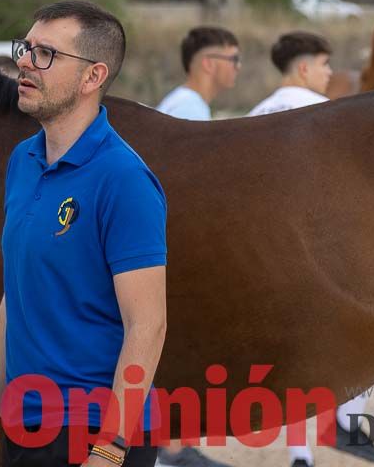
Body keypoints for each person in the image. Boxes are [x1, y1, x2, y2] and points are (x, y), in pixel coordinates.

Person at [0, 0, 167, 467]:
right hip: (26, 424)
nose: (25, 62)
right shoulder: (22, 162)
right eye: (26, 48)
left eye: (46, 53)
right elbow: (16, 298)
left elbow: (147, 326)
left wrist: (111, 449)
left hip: (93, 431)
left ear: (93, 77)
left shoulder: (124, 179)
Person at [247, 32, 374, 467]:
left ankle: (300, 453)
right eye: (325, 65)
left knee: (292, 356)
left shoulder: (255, 113)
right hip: (316, 248)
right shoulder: (319, 113)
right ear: (305, 67)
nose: (330, 73)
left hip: (261, 250)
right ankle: (343, 426)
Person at [154, 27, 238, 467]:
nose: (238, 69)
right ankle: (171, 447)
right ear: (208, 62)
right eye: (233, 59)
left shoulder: (182, 104)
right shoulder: (187, 108)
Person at [156, 27, 240, 121]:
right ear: (208, 64)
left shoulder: (186, 103)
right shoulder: (188, 109)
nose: (238, 66)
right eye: (234, 59)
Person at [247, 32, 333, 117]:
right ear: (304, 69)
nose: (329, 72)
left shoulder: (254, 115)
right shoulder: (327, 111)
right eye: (324, 64)